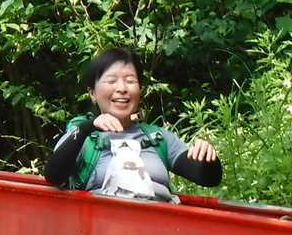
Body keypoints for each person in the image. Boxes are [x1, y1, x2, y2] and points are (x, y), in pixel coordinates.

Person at [43, 48, 221, 202]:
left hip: (158, 225)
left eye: (130, 81)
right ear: (92, 93)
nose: (122, 88)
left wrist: (208, 158)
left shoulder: (158, 138)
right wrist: (87, 128)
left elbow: (207, 178)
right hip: (100, 227)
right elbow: (54, 175)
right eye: (111, 81)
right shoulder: (83, 136)